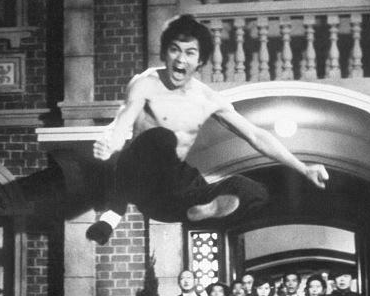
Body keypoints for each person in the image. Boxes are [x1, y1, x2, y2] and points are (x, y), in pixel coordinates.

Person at [87, 14, 329, 244]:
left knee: (254, 191)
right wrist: (111, 142)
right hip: (141, 181)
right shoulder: (146, 84)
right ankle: (112, 216)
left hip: (175, 199)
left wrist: (303, 168)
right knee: (161, 138)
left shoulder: (207, 99)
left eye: (190, 53)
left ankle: (205, 209)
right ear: (165, 53)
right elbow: (124, 120)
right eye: (174, 50)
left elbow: (256, 136)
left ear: (200, 61)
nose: (180, 60)